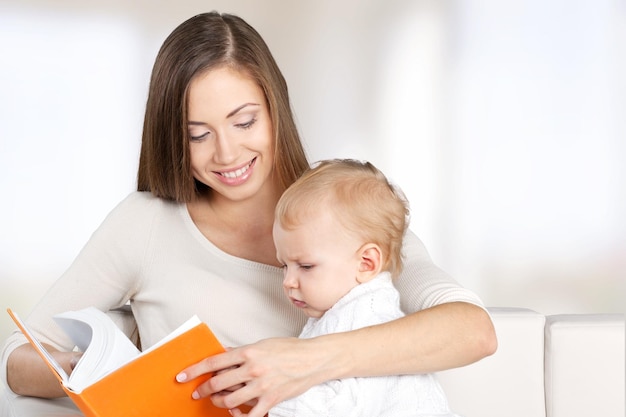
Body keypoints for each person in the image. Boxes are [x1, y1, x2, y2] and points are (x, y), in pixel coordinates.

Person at [1, 11, 496, 417]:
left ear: (274, 107)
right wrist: (100, 369)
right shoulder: (146, 224)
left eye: (244, 121)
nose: (227, 153)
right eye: (198, 134)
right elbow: (17, 360)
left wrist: (304, 362)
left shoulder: (346, 208)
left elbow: (472, 330)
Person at [260, 158, 462, 417]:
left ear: (366, 263)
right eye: (284, 266)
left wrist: (265, 400)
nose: (288, 281)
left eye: (306, 266)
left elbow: (335, 406)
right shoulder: (341, 312)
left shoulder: (364, 318)